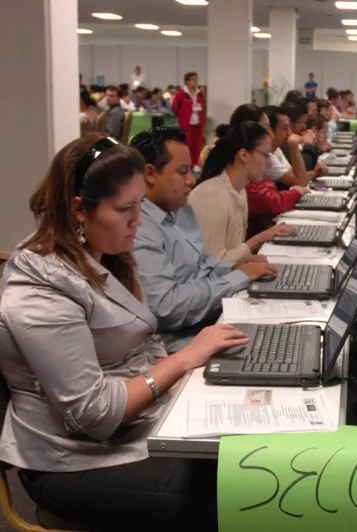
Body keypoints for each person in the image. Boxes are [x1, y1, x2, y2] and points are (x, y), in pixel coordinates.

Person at [0, 134, 251, 530]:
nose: (139, 220)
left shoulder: (106, 254)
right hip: (72, 461)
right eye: (125, 209)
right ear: (79, 209)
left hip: (130, 430)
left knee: (250, 459)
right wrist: (185, 360)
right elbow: (94, 412)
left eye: (140, 206)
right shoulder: (39, 285)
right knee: (238, 499)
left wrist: (189, 387)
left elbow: (147, 339)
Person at [131, 127, 279, 352]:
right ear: (150, 173)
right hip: (179, 345)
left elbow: (202, 262)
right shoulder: (140, 227)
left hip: (206, 323)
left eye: (190, 170)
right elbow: (167, 307)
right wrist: (237, 277)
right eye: (182, 171)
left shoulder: (179, 207)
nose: (191, 180)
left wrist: (232, 268)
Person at [190, 122, 289, 261]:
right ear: (244, 155)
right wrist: (258, 240)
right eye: (266, 155)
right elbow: (211, 268)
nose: (270, 164)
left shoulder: (239, 190)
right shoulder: (213, 198)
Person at [214, 104, 308, 235]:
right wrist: (295, 192)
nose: (270, 134)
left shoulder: (259, 155)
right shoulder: (241, 166)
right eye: (265, 128)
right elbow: (268, 201)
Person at [171, 71, 206, 170]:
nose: (196, 82)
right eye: (193, 79)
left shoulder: (199, 94)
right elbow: (174, 107)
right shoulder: (182, 94)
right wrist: (183, 113)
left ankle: (195, 163)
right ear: (187, 81)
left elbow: (202, 105)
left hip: (198, 122)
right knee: (187, 144)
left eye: (197, 79)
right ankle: (186, 163)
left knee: (197, 144)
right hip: (186, 122)